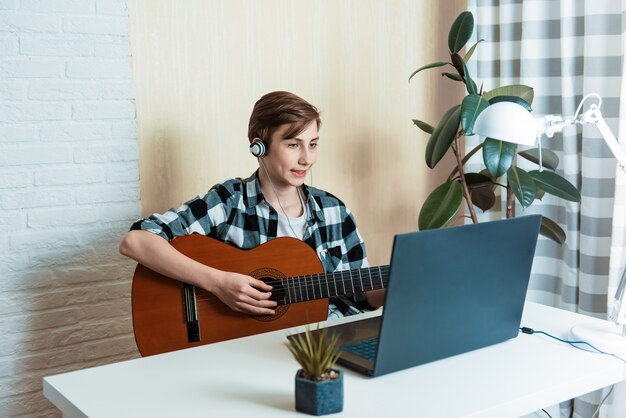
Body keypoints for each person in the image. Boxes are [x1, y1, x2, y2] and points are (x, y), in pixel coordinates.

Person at [119, 91, 384, 319]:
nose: (307, 159)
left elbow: (358, 295)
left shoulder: (334, 210)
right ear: (259, 147)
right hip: (249, 349)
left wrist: (396, 284)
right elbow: (136, 241)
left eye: (312, 145)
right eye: (293, 145)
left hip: (323, 346)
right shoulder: (230, 201)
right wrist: (218, 283)